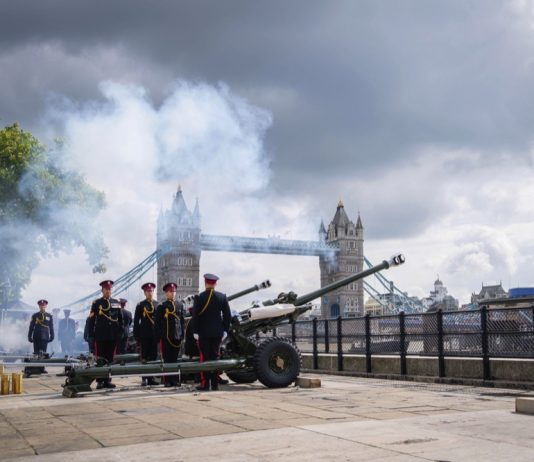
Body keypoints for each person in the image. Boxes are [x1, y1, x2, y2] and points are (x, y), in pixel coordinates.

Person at [191, 273, 231, 391]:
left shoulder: (199, 297)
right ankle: (215, 385)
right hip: (217, 332)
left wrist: (195, 331)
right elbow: (227, 315)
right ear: (215, 283)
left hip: (203, 333)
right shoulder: (222, 297)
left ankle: (205, 384)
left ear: (205, 283)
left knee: (205, 358)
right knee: (215, 357)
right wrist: (225, 330)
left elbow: (195, 316)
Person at [86, 280, 123, 389]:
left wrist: (120, 332)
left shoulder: (116, 302)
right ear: (102, 290)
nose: (108, 291)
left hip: (112, 335)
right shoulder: (97, 303)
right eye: (106, 289)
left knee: (110, 358)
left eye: (110, 289)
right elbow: (91, 320)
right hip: (101, 335)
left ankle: (107, 380)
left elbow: (120, 320)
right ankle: (100, 380)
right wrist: (91, 335)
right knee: (101, 358)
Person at [155, 282, 184, 387]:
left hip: (176, 336)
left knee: (175, 359)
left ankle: (175, 379)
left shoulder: (180, 305)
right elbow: (157, 323)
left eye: (174, 291)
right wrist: (158, 337)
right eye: (171, 292)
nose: (173, 293)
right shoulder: (162, 307)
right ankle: (167, 380)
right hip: (166, 337)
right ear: (166, 293)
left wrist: (182, 335)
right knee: (167, 359)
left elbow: (181, 321)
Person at [133, 282, 159, 386]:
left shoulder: (157, 304)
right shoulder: (140, 305)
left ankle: (151, 378)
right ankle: (144, 378)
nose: (150, 293)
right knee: (144, 357)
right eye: (148, 291)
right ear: (144, 292)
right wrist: (137, 335)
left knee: (153, 356)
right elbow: (136, 322)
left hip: (154, 335)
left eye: (151, 291)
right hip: (144, 335)